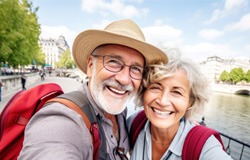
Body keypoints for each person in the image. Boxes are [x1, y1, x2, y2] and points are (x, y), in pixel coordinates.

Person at [18, 19, 168, 159]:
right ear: (91, 65)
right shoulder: (62, 120)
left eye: (135, 69)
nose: (124, 79)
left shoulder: (120, 113)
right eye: (114, 62)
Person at [127, 58, 233, 160]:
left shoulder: (203, 145)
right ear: (144, 92)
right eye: (155, 87)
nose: (163, 101)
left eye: (176, 92)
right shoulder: (134, 123)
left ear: (190, 102)